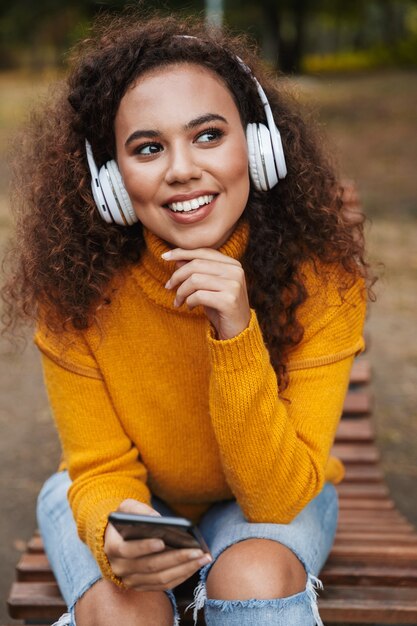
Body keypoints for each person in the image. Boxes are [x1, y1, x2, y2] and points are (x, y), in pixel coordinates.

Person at [2, 10, 371, 626]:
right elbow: (99, 470)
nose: (180, 169)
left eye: (207, 136)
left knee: (252, 572)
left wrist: (235, 329)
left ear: (258, 146)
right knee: (125, 607)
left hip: (273, 491)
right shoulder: (78, 291)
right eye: (148, 148)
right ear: (111, 179)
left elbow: (277, 498)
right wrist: (114, 536)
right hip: (133, 497)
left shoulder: (322, 278)